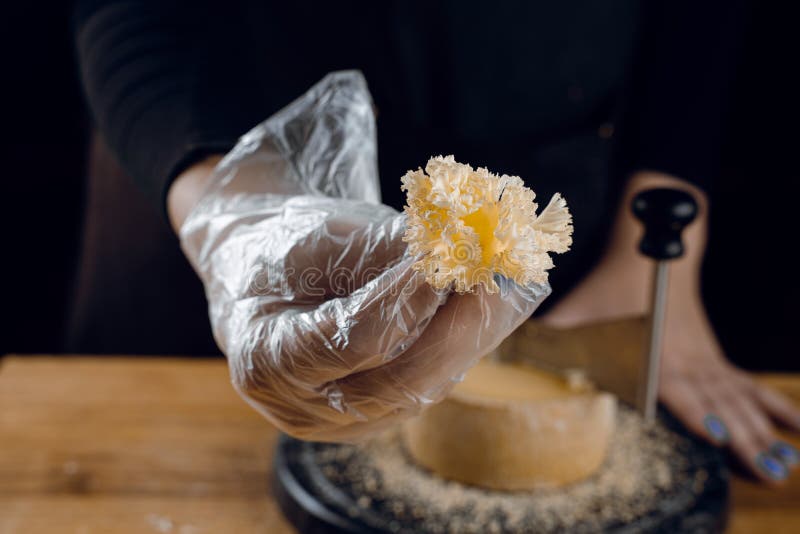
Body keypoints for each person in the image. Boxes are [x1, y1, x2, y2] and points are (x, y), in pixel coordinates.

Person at [74, 0, 799, 481]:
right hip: (200, 145)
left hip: (582, 174)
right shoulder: (222, 199)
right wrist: (225, 213)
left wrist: (655, 250)